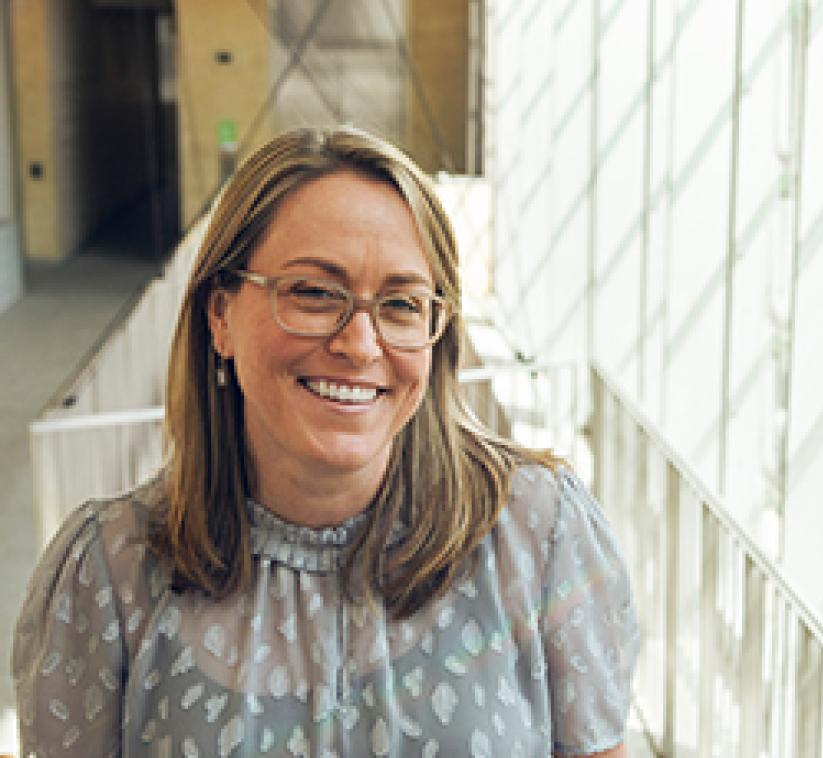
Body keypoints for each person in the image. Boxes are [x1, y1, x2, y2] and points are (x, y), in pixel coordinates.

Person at [12, 126, 639, 757]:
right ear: (220, 316)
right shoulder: (111, 576)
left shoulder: (539, 535)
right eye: (314, 293)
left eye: (400, 304)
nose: (360, 345)